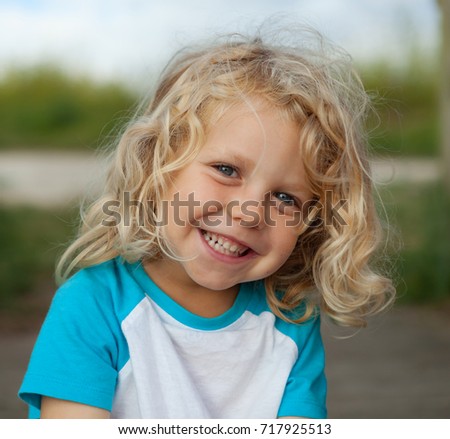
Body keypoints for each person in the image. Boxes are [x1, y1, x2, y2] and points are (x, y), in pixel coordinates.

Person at [19, 26, 395, 419]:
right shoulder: (94, 305)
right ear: (158, 166)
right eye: (226, 170)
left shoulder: (290, 323)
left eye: (285, 198)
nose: (249, 212)